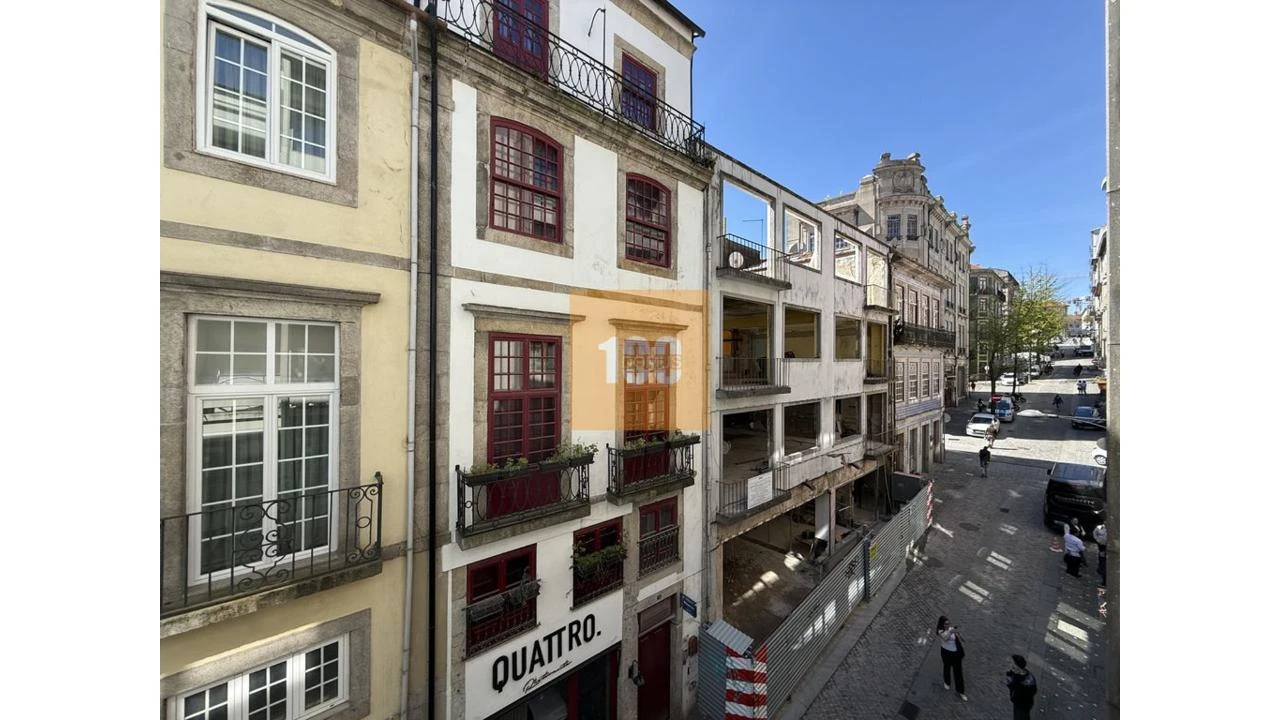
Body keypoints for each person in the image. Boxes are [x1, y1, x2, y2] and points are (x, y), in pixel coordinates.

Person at [935, 616, 967, 701]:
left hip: (955, 653)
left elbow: (957, 635)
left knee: (958, 672)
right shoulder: (940, 631)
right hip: (946, 653)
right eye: (946, 624)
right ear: (942, 624)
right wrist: (950, 631)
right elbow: (945, 638)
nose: (947, 625)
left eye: (948, 623)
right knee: (947, 667)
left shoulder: (951, 628)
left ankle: (961, 691)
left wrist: (960, 637)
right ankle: (947, 682)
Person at [1006, 654, 1038, 720]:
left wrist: (1011, 685)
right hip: (1017, 702)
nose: (1012, 668)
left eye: (1014, 667)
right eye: (1011, 665)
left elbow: (1033, 691)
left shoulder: (1027, 681)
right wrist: (1010, 674)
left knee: (1020, 717)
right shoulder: (1017, 672)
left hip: (1023, 705)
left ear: (1020, 668)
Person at [1093, 522, 1109, 587]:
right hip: (1101, 545)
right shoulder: (1100, 527)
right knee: (1101, 556)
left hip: (1108, 546)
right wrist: (1098, 540)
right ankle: (1100, 568)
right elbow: (1094, 533)